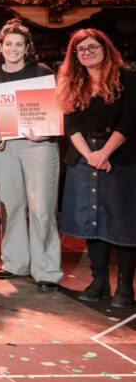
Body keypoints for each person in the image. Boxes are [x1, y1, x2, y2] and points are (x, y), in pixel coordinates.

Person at [57, 28, 136, 308]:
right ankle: (99, 281)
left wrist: (105, 153)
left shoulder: (126, 77)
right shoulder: (70, 79)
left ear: (105, 48)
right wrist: (91, 155)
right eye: (81, 50)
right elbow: (71, 125)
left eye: (92, 47)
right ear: (75, 55)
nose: (87, 53)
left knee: (124, 225)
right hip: (84, 157)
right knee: (93, 224)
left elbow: (129, 120)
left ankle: (125, 288)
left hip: (119, 156)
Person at [0, 20, 62, 292]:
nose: (14, 49)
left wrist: (46, 133)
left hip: (38, 146)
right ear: (0, 47)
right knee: (10, 206)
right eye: (9, 44)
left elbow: (57, 111)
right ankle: (15, 263)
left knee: (41, 208)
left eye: (19, 44)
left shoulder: (41, 72)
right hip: (5, 150)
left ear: (28, 47)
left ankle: (47, 270)